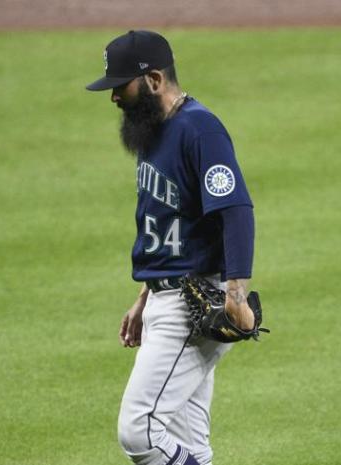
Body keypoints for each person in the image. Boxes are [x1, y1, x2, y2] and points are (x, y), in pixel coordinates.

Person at [85, 30, 257, 465]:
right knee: (191, 446)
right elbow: (165, 223)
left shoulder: (199, 129)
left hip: (193, 304)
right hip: (166, 296)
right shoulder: (154, 133)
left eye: (120, 86)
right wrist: (145, 296)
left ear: (155, 80)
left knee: (139, 432)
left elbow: (235, 209)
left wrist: (236, 294)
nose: (113, 98)